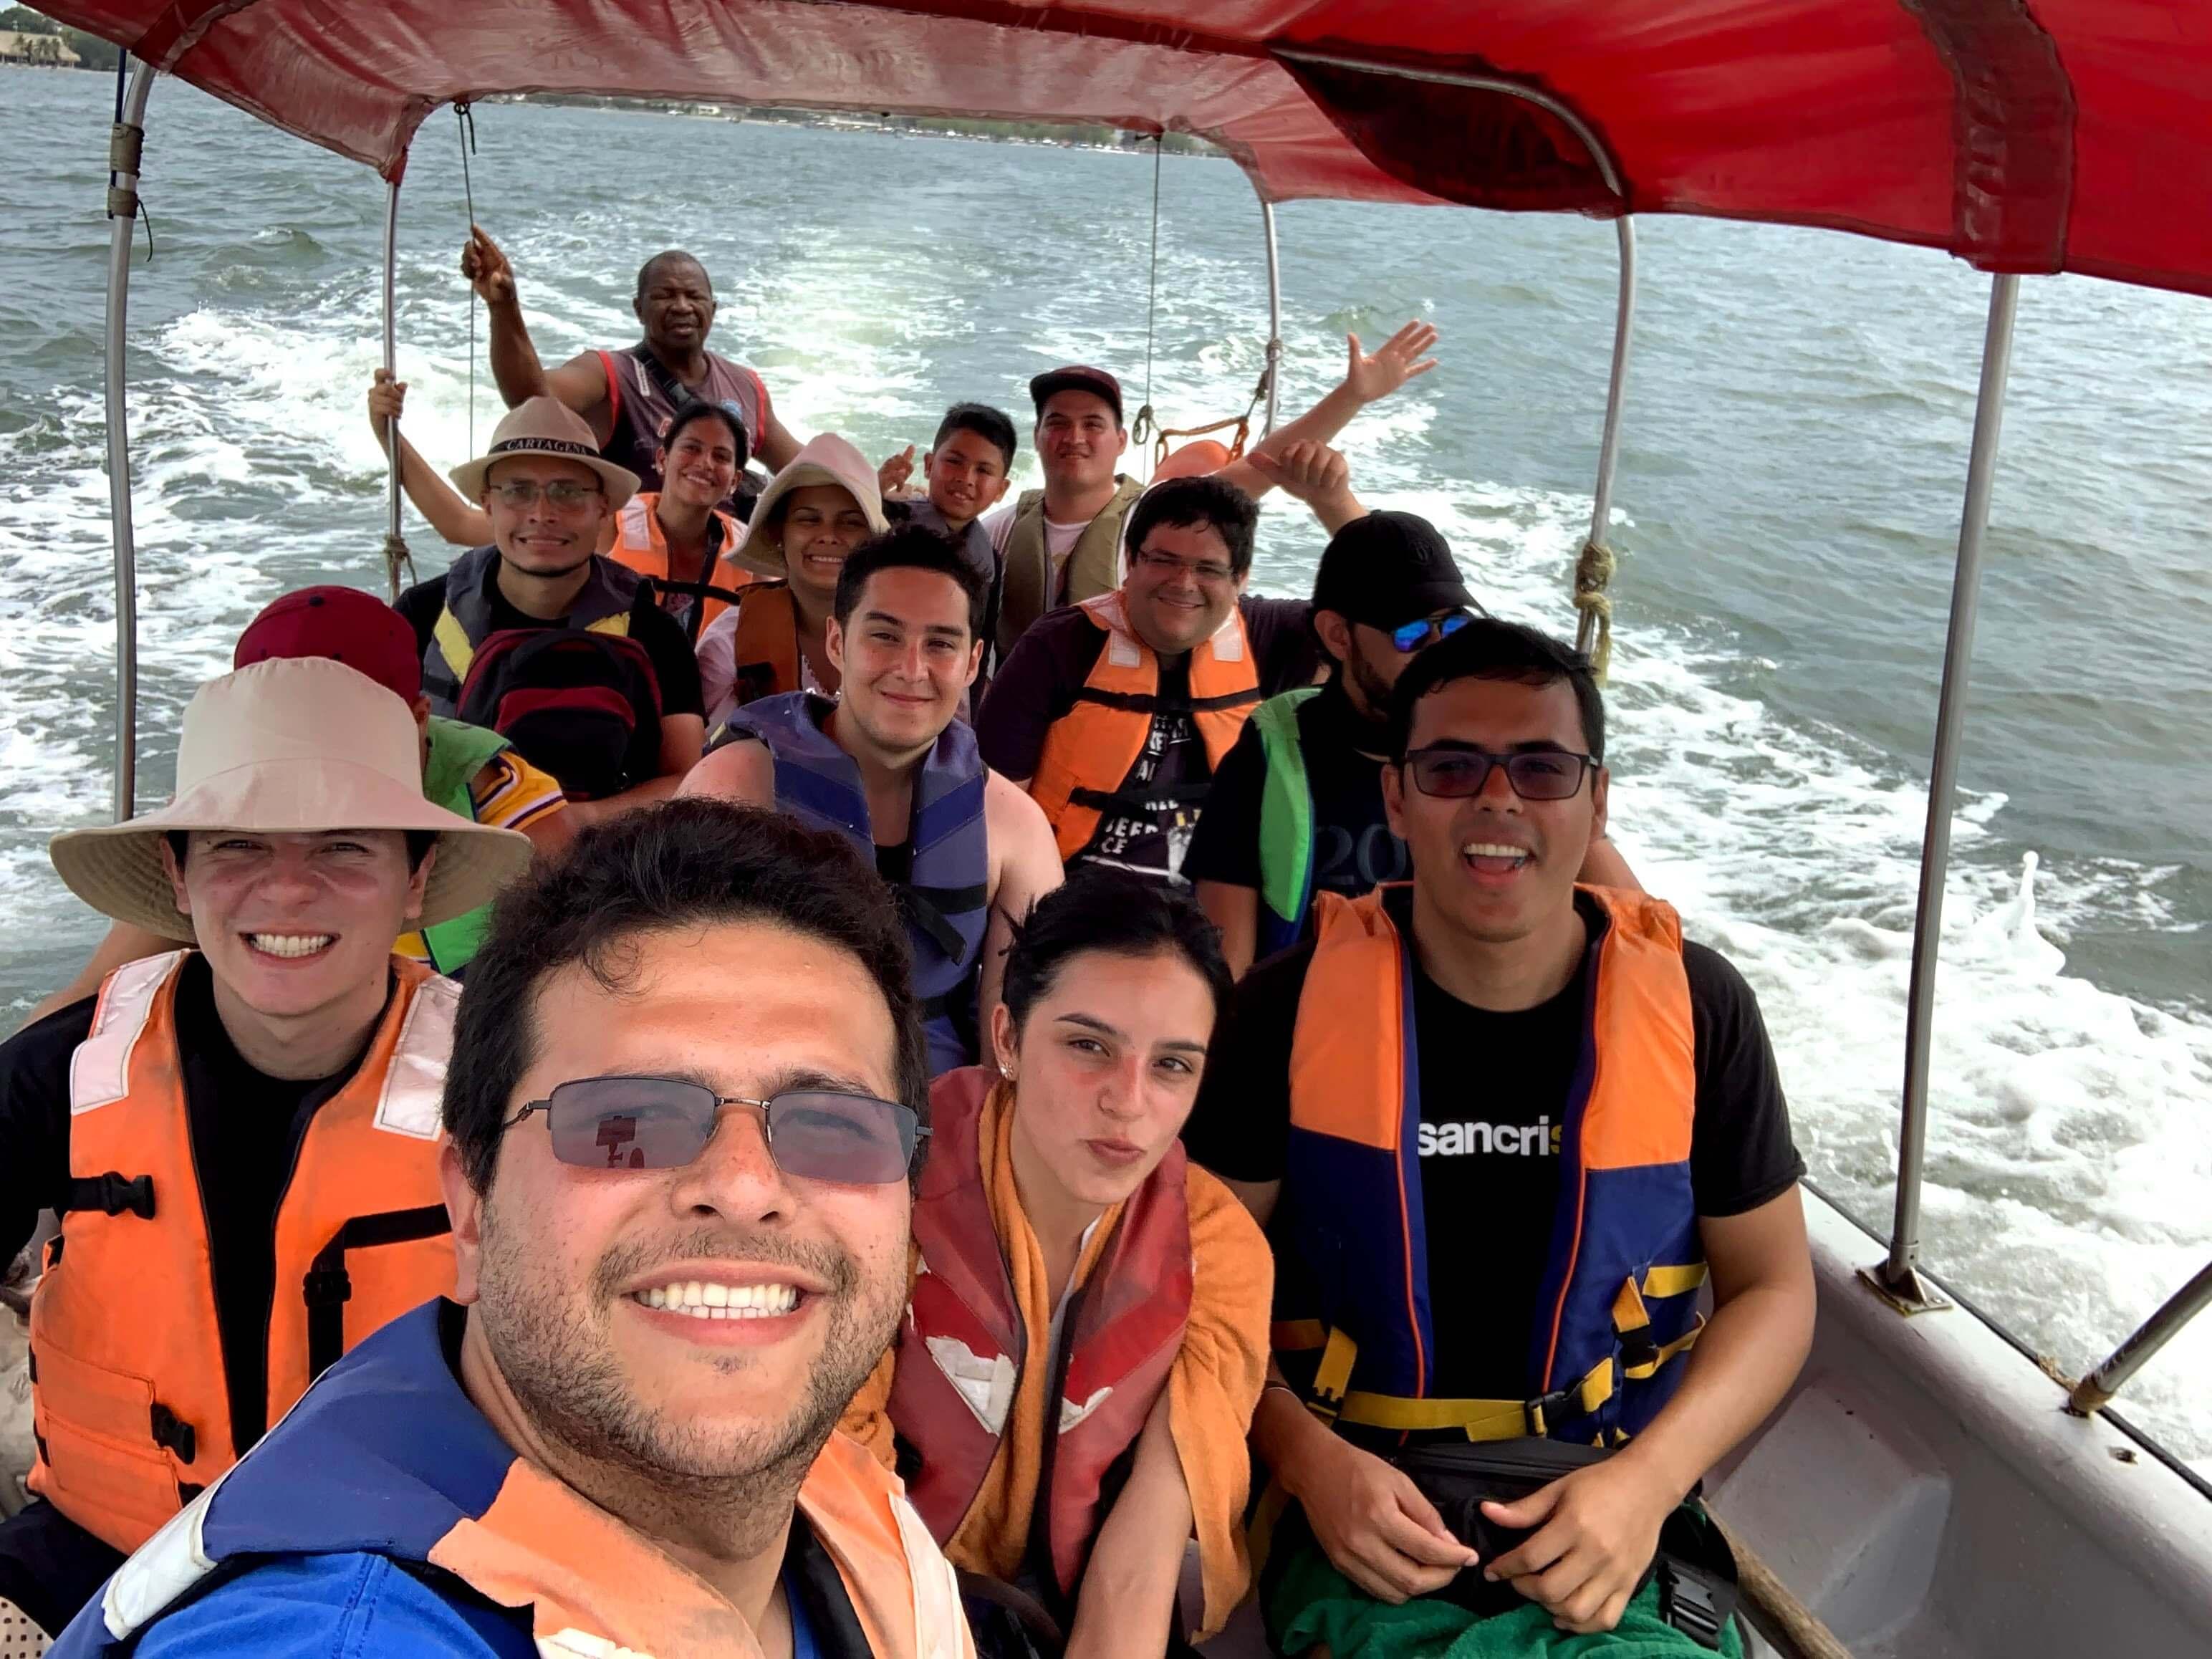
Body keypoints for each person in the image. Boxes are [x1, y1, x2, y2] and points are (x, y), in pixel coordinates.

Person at [52, 802, 974, 1658]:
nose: (742, 1186)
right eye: (627, 1124)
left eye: (829, 1126)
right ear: (472, 1209)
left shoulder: (849, 1511)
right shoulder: (334, 1634)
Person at [1178, 620, 1816, 1655]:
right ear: (1397, 796)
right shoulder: (1283, 1013)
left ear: (1596, 798)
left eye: (1542, 767)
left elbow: (1776, 1290)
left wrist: (1645, 1487)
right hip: (1363, 1511)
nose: (1497, 798)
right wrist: (1302, 1458)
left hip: (1612, 1501)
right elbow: (1198, 1282)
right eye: (1451, 766)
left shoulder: (1700, 1009)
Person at [0, 658, 534, 1645]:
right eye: (239, 846)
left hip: (418, 1575)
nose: (288, 888)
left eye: (343, 847)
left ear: (417, 878)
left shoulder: (511, 1090)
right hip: (100, 1559)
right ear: (179, 873)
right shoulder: (60, 1075)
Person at [840, 874, 1271, 1658]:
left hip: (1079, 1606)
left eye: (1172, 1066)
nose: (1128, 1102)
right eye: (1087, 1046)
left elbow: (1148, 1542)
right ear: (1006, 1038)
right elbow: (844, 1494)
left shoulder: (1219, 1245)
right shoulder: (883, 1188)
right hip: (886, 1588)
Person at [30, 587, 569, 1019]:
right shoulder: (220, 819)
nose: (287, 887)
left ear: (417, 720)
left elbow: (551, 976)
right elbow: (85, 997)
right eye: (284, 725)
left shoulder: (499, 792)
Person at [1185, 512, 1640, 974]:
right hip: (1311, 1021)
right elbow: (1227, 967)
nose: (1440, 649)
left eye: (1454, 626)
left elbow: (1638, 932)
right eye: (1412, 634)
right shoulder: (1270, 754)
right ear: (1338, 635)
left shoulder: (1498, 757)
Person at [683, 526, 1062, 1077]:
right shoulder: (731, 790)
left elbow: (1016, 1038)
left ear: (974, 660)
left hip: (939, 1104)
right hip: (769, 1089)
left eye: (940, 643)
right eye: (884, 636)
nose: (911, 669)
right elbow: (674, 981)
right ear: (838, 642)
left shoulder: (1014, 826)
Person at [976, 448, 1363, 888]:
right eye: (1163, 560)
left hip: (1220, 914)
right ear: (1131, 562)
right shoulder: (1060, 645)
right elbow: (995, 813)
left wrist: (1335, 504)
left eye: (1208, 569)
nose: (1183, 583)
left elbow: (1395, 622)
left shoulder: (1271, 637)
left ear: (1241, 579)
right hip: (1070, 909)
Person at [984, 322, 1440, 660]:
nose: (1075, 437)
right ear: (1039, 437)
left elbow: (1267, 463)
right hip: (1024, 721)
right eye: (1057, 423)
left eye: (1093, 424)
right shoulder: (1001, 530)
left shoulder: (1161, 521)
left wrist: (1352, 396)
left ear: (1122, 442)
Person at [391, 398, 707, 815]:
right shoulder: (420, 614)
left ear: (603, 508)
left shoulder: (655, 632)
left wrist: (576, 823)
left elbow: (689, 782)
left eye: (568, 493)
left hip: (602, 863)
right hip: (450, 855)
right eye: (518, 491)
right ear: (488, 504)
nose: (542, 514)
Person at [463, 228, 802, 499]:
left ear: (712, 309)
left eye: (694, 296)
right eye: (665, 296)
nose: (682, 306)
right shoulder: (610, 374)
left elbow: (804, 468)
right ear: (638, 309)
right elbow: (532, 400)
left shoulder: (746, 386)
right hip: (632, 572)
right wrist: (504, 306)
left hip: (724, 571)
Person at [697, 433, 890, 728]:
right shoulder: (728, 644)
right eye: (808, 519)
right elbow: (702, 759)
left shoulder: (910, 641)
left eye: (851, 522)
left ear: (873, 540)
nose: (828, 535)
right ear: (778, 534)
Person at [605, 399, 761, 643]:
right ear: (662, 459)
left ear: (735, 481)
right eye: (692, 448)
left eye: (721, 457)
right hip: (616, 676)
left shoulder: (750, 553)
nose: (705, 463)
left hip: (712, 680)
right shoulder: (608, 525)